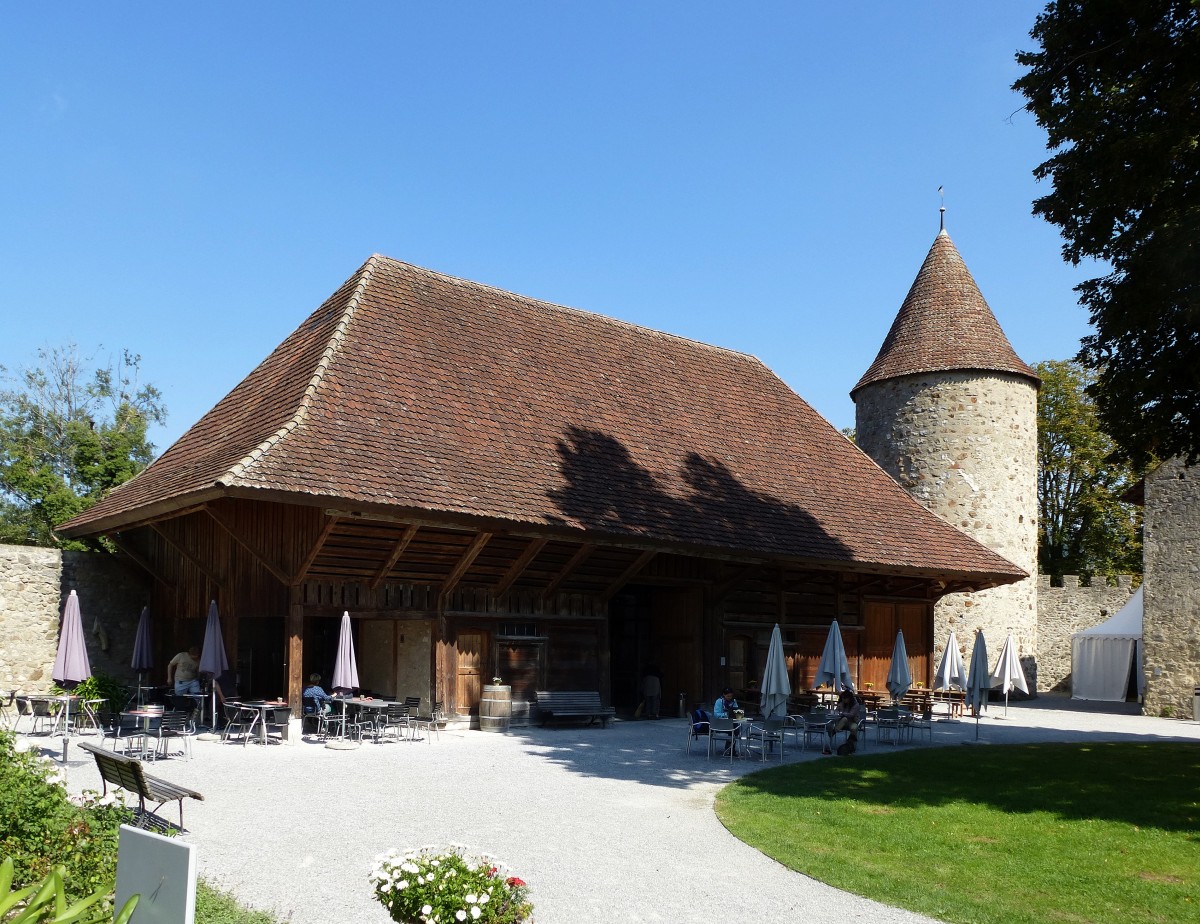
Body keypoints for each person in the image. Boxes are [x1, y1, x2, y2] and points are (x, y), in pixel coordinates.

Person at [825, 689, 866, 755]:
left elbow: (851, 715)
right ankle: (835, 731)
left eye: (845, 698)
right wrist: (838, 709)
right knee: (844, 719)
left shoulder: (855, 705)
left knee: (853, 728)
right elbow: (836, 712)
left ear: (849, 698)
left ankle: (835, 732)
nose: (843, 700)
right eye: (842, 698)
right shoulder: (842, 703)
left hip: (853, 722)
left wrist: (843, 713)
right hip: (842, 722)